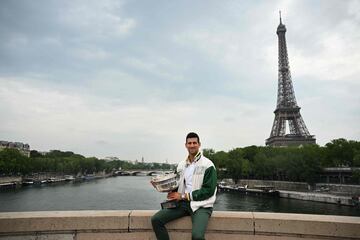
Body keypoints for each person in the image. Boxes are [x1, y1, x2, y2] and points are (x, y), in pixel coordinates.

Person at [151, 132, 217, 240]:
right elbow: (174, 185)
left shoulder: (208, 165)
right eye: (189, 143)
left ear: (199, 144)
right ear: (185, 145)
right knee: (156, 220)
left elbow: (208, 191)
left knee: (197, 237)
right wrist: (159, 185)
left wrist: (182, 196)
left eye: (194, 143)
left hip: (201, 206)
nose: (192, 145)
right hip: (183, 204)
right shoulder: (181, 165)